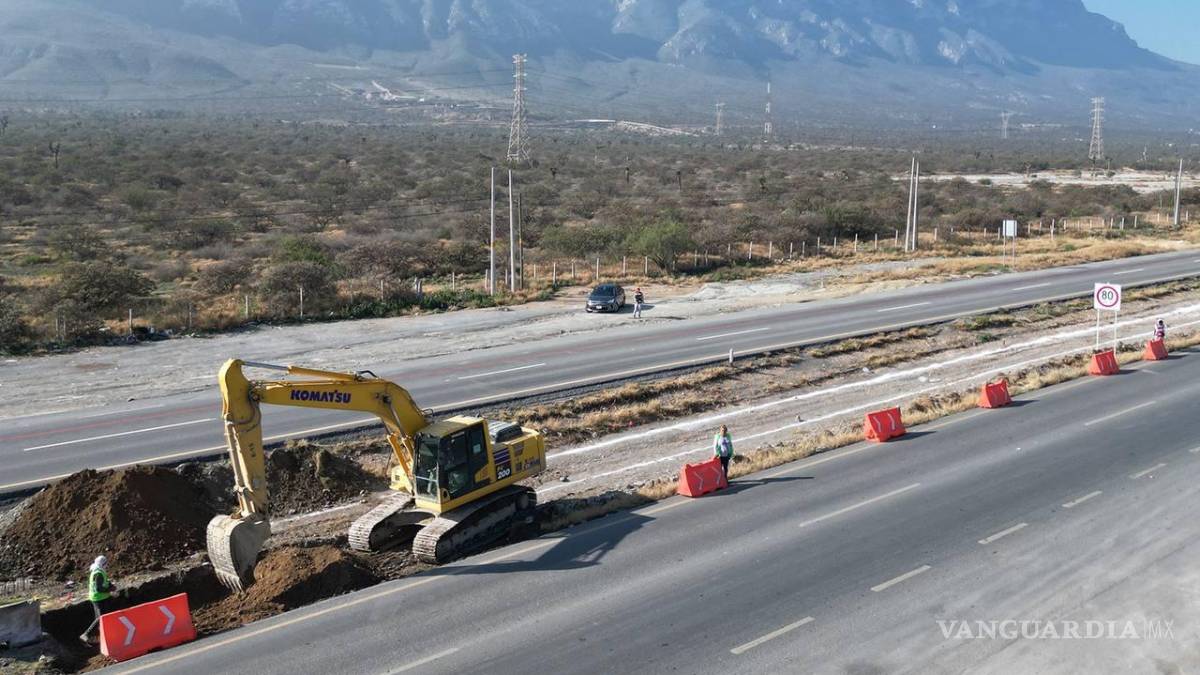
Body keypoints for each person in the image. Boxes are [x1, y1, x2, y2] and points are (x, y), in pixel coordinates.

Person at [80, 555, 116, 643]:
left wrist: (111, 586)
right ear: (103, 564)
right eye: (106, 564)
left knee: (101, 618)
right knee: (101, 618)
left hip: (101, 597)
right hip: (98, 598)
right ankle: (86, 634)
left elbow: (105, 582)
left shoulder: (99, 571)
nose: (107, 566)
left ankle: (102, 637)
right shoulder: (98, 573)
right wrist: (110, 590)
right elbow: (99, 588)